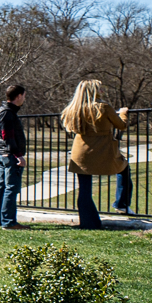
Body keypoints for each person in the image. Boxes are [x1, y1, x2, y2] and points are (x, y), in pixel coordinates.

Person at [61, 79, 132, 229]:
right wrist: (124, 113)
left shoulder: (74, 109)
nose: (103, 91)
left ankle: (88, 222)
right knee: (124, 169)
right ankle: (121, 204)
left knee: (84, 189)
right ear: (94, 91)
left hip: (80, 152)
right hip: (103, 150)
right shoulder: (103, 107)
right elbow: (122, 125)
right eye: (100, 89)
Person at [0, 84, 27, 229]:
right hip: (10, 155)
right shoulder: (7, 113)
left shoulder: (3, 111)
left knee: (2, 186)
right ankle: (8, 221)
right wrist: (18, 155)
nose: (24, 98)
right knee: (11, 187)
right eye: (24, 95)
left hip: (4, 154)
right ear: (18, 96)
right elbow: (7, 137)